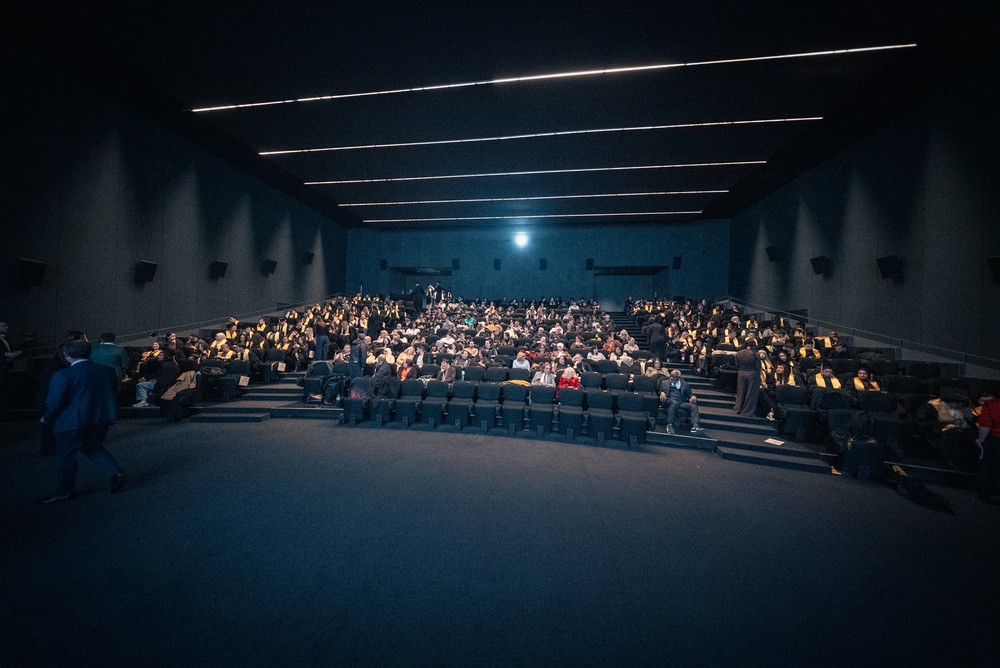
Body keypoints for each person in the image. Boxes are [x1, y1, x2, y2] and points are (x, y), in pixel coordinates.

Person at [35, 339, 126, 503]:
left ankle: (64, 490)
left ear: (67, 355)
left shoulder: (62, 375)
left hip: (71, 420)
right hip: (100, 417)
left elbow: (54, 402)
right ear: (89, 353)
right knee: (93, 447)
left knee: (65, 456)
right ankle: (116, 473)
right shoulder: (107, 371)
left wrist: (47, 417)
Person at [659, 369, 703, 434]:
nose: (671, 378)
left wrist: (692, 396)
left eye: (674, 377)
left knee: (693, 407)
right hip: (669, 400)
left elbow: (689, 394)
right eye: (671, 376)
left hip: (681, 401)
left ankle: (695, 426)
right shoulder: (664, 383)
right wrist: (661, 392)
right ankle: (669, 424)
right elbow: (659, 391)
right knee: (674, 403)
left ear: (678, 378)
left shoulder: (685, 384)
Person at [975, 392, 1000, 501]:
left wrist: (980, 439)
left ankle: (985, 494)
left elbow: (985, 424)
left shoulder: (992, 404)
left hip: (996, 439)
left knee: (989, 465)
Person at [733, 342, 761, 417]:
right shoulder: (755, 354)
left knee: (740, 392)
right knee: (750, 393)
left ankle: (738, 408)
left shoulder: (739, 353)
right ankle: (747, 412)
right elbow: (757, 366)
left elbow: (736, 364)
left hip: (741, 373)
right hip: (752, 373)